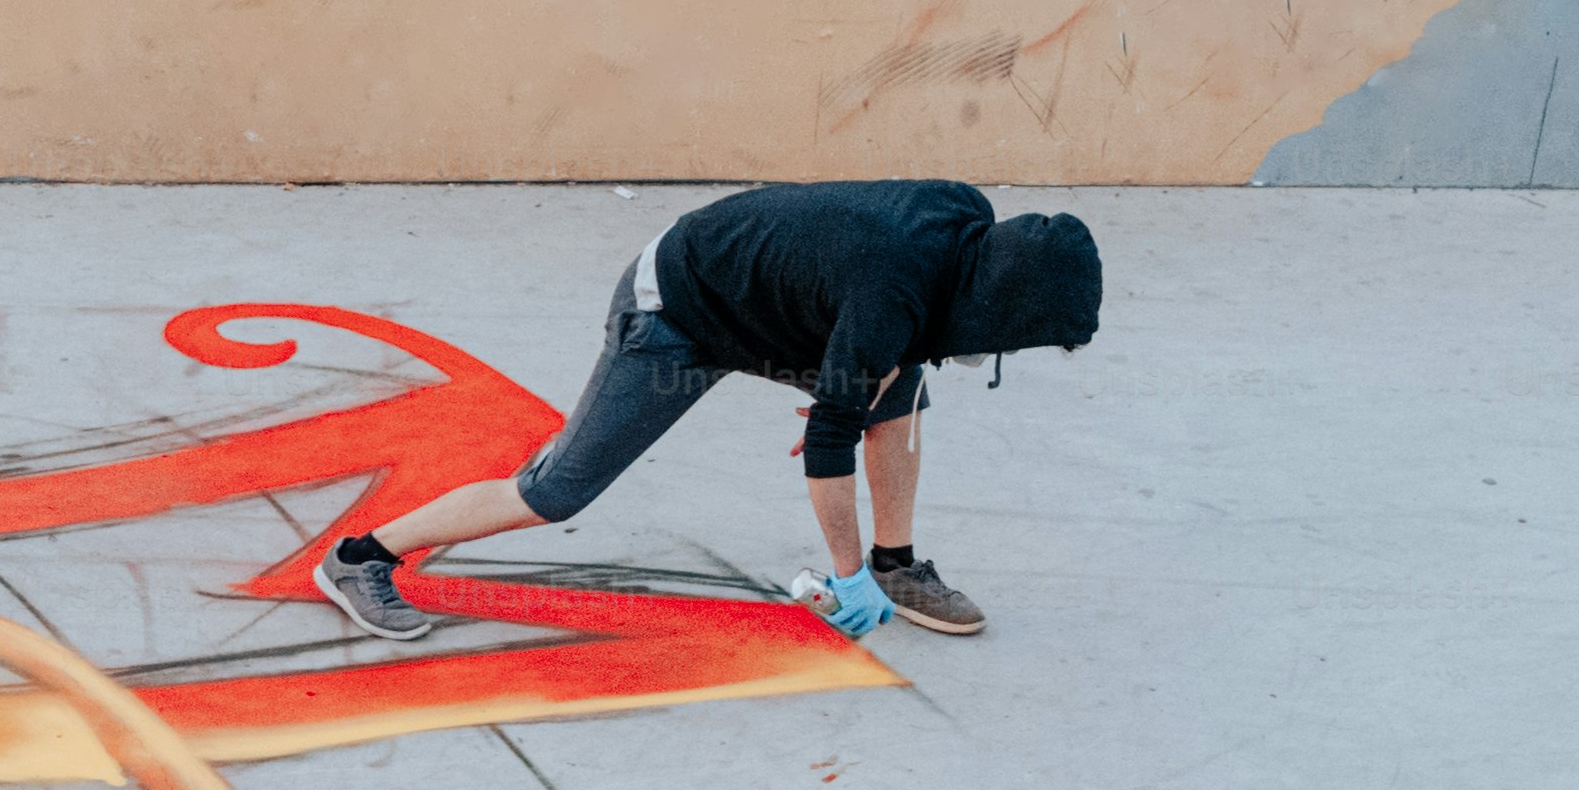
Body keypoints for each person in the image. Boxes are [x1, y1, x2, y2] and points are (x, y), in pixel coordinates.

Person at [315, 181, 1102, 643]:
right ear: (1005, 306)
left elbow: (892, 331)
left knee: (896, 399)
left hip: (768, 305)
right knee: (555, 491)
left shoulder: (962, 222)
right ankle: (360, 556)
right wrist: (843, 577)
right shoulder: (889, 294)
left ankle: (898, 566)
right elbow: (831, 440)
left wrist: (855, 380)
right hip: (677, 311)